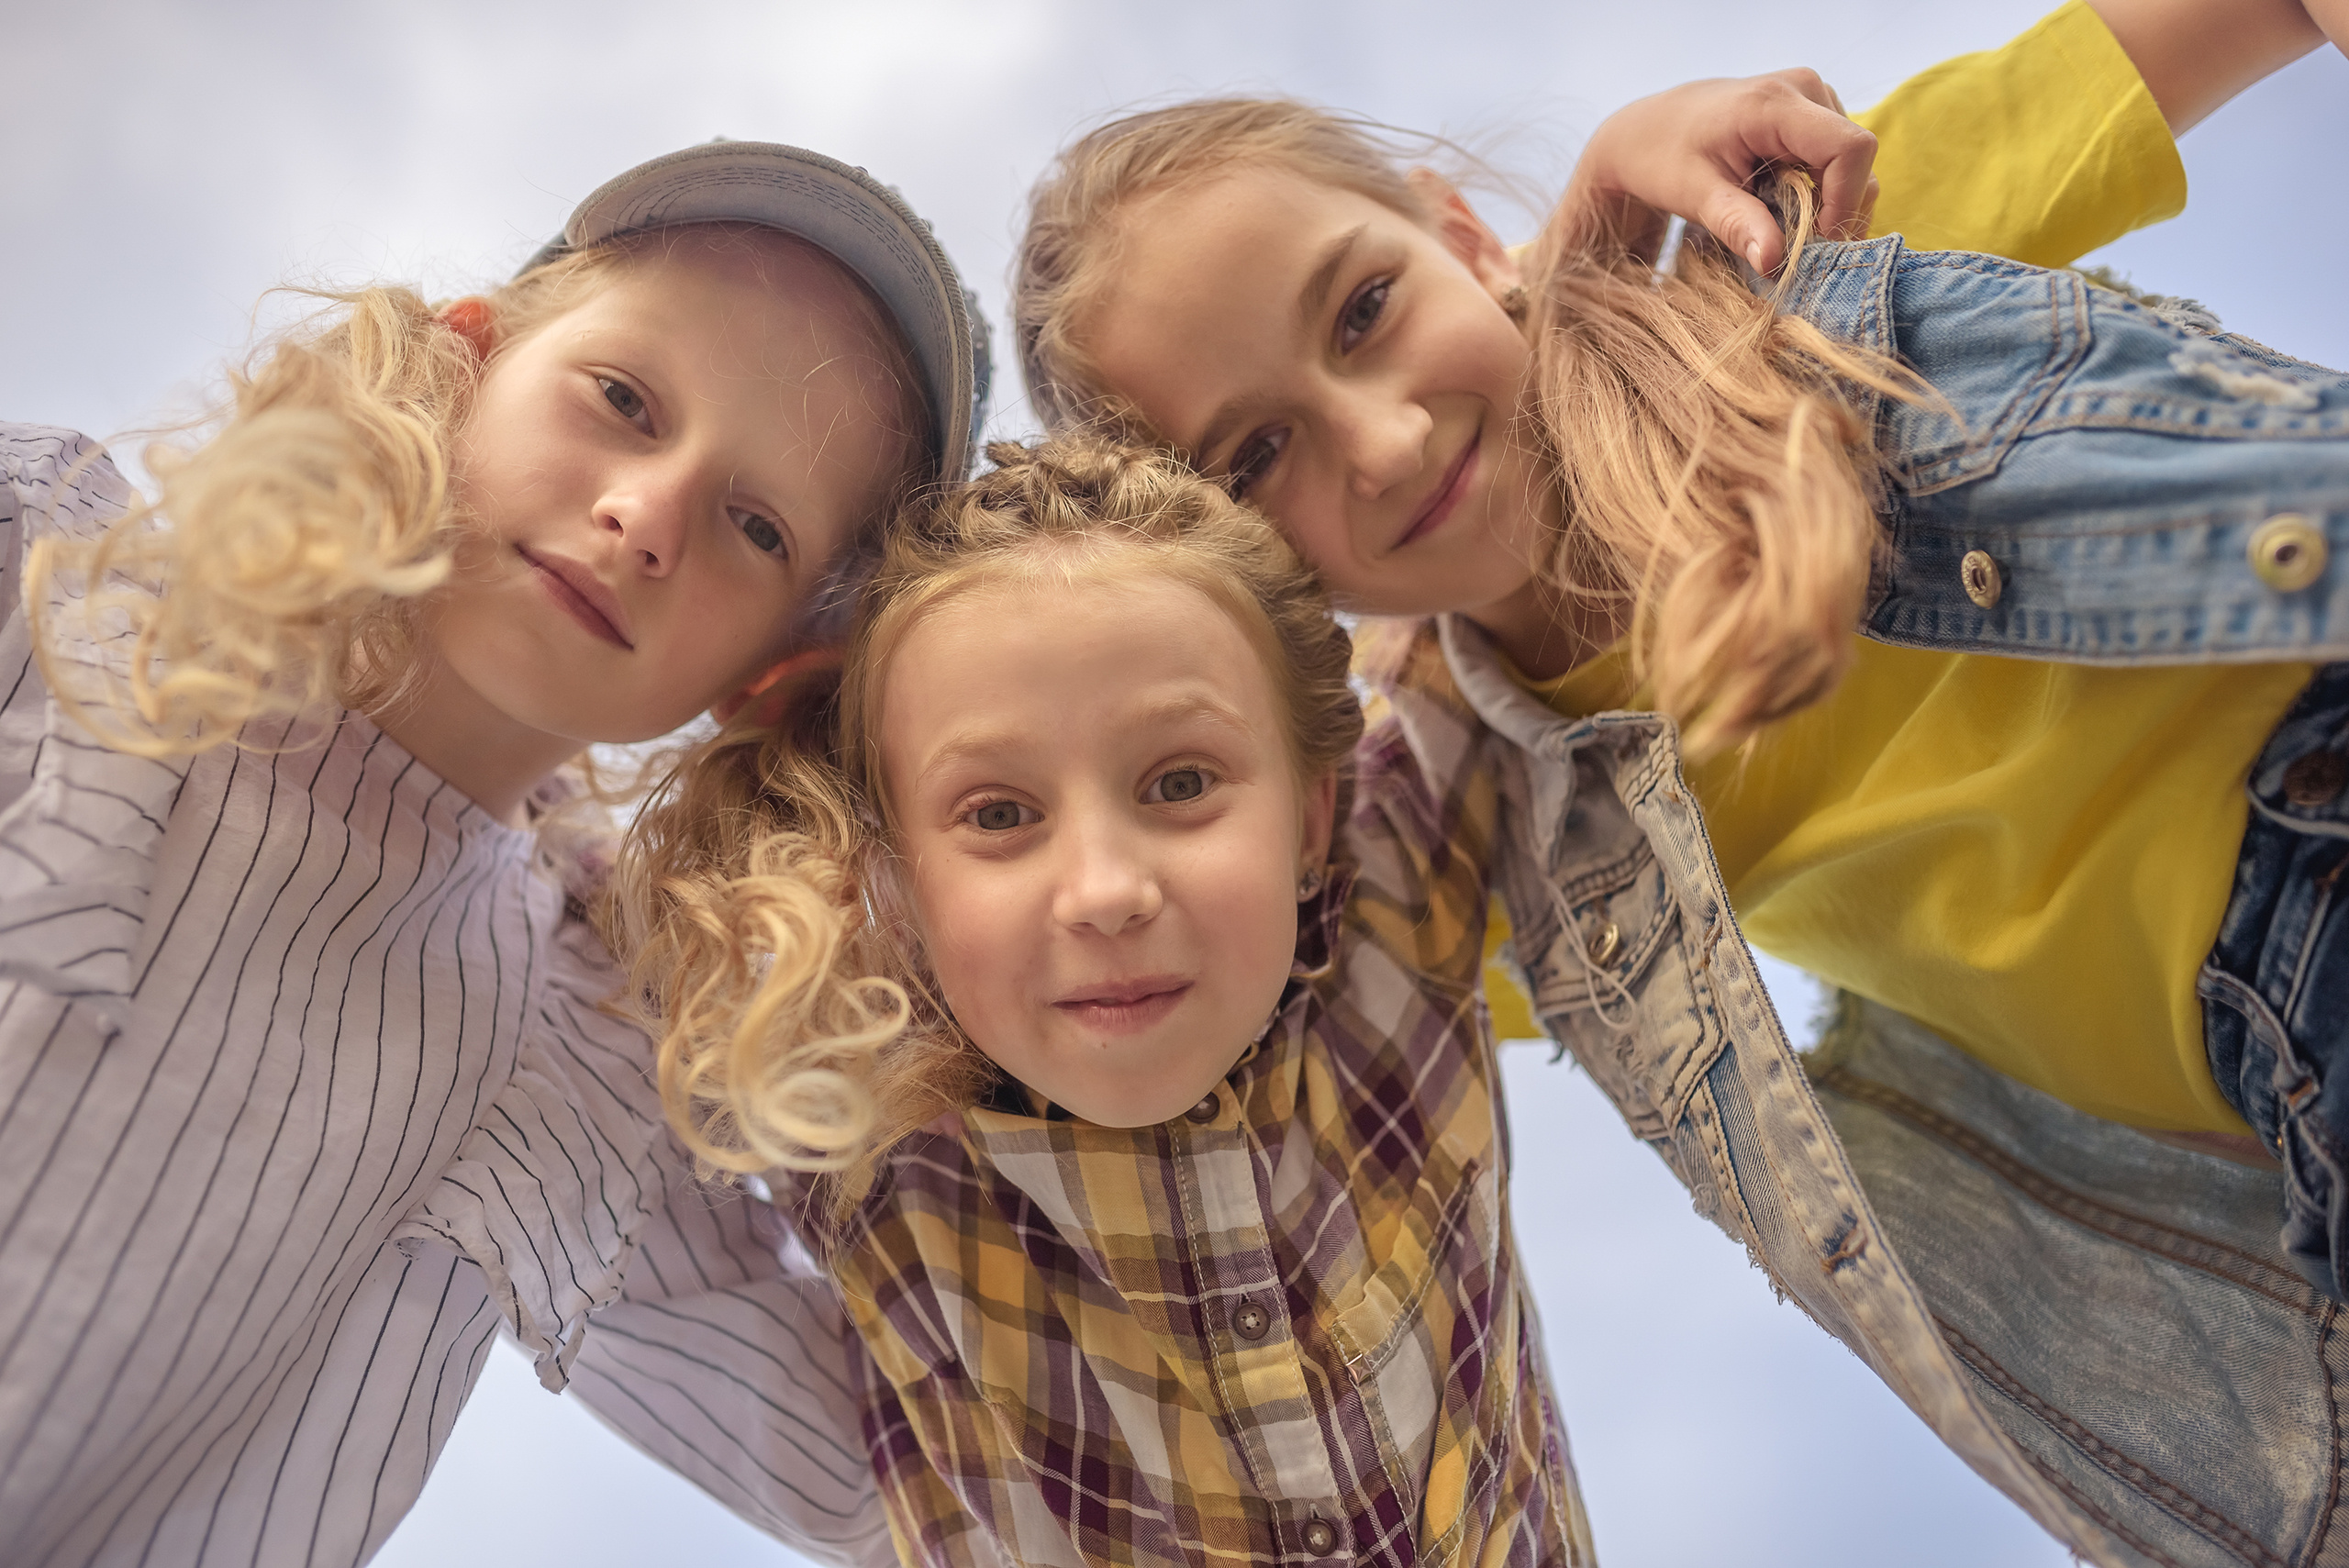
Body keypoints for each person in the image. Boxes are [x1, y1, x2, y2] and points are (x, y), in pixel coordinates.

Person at [997, 3, 2349, 1563]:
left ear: (1457, 231)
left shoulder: (1785, 264)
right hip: (2273, 1096)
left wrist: (1603, 241)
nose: (1375, 441)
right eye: (1253, 459)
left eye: (1365, 306)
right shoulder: (1476, 830)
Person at [0, 140, 984, 1568]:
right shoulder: (51, 600)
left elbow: (921, 1498)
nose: (647, 516)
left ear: (777, 674)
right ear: (467, 362)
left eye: (756, 524)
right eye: (625, 400)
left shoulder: (592, 1066)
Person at [617, 435, 1595, 1567]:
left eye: (1180, 782)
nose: (1106, 892)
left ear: (1315, 810)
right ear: (889, 871)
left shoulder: (1397, 886)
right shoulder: (848, 1098)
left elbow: (1521, 510)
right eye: (995, 814)